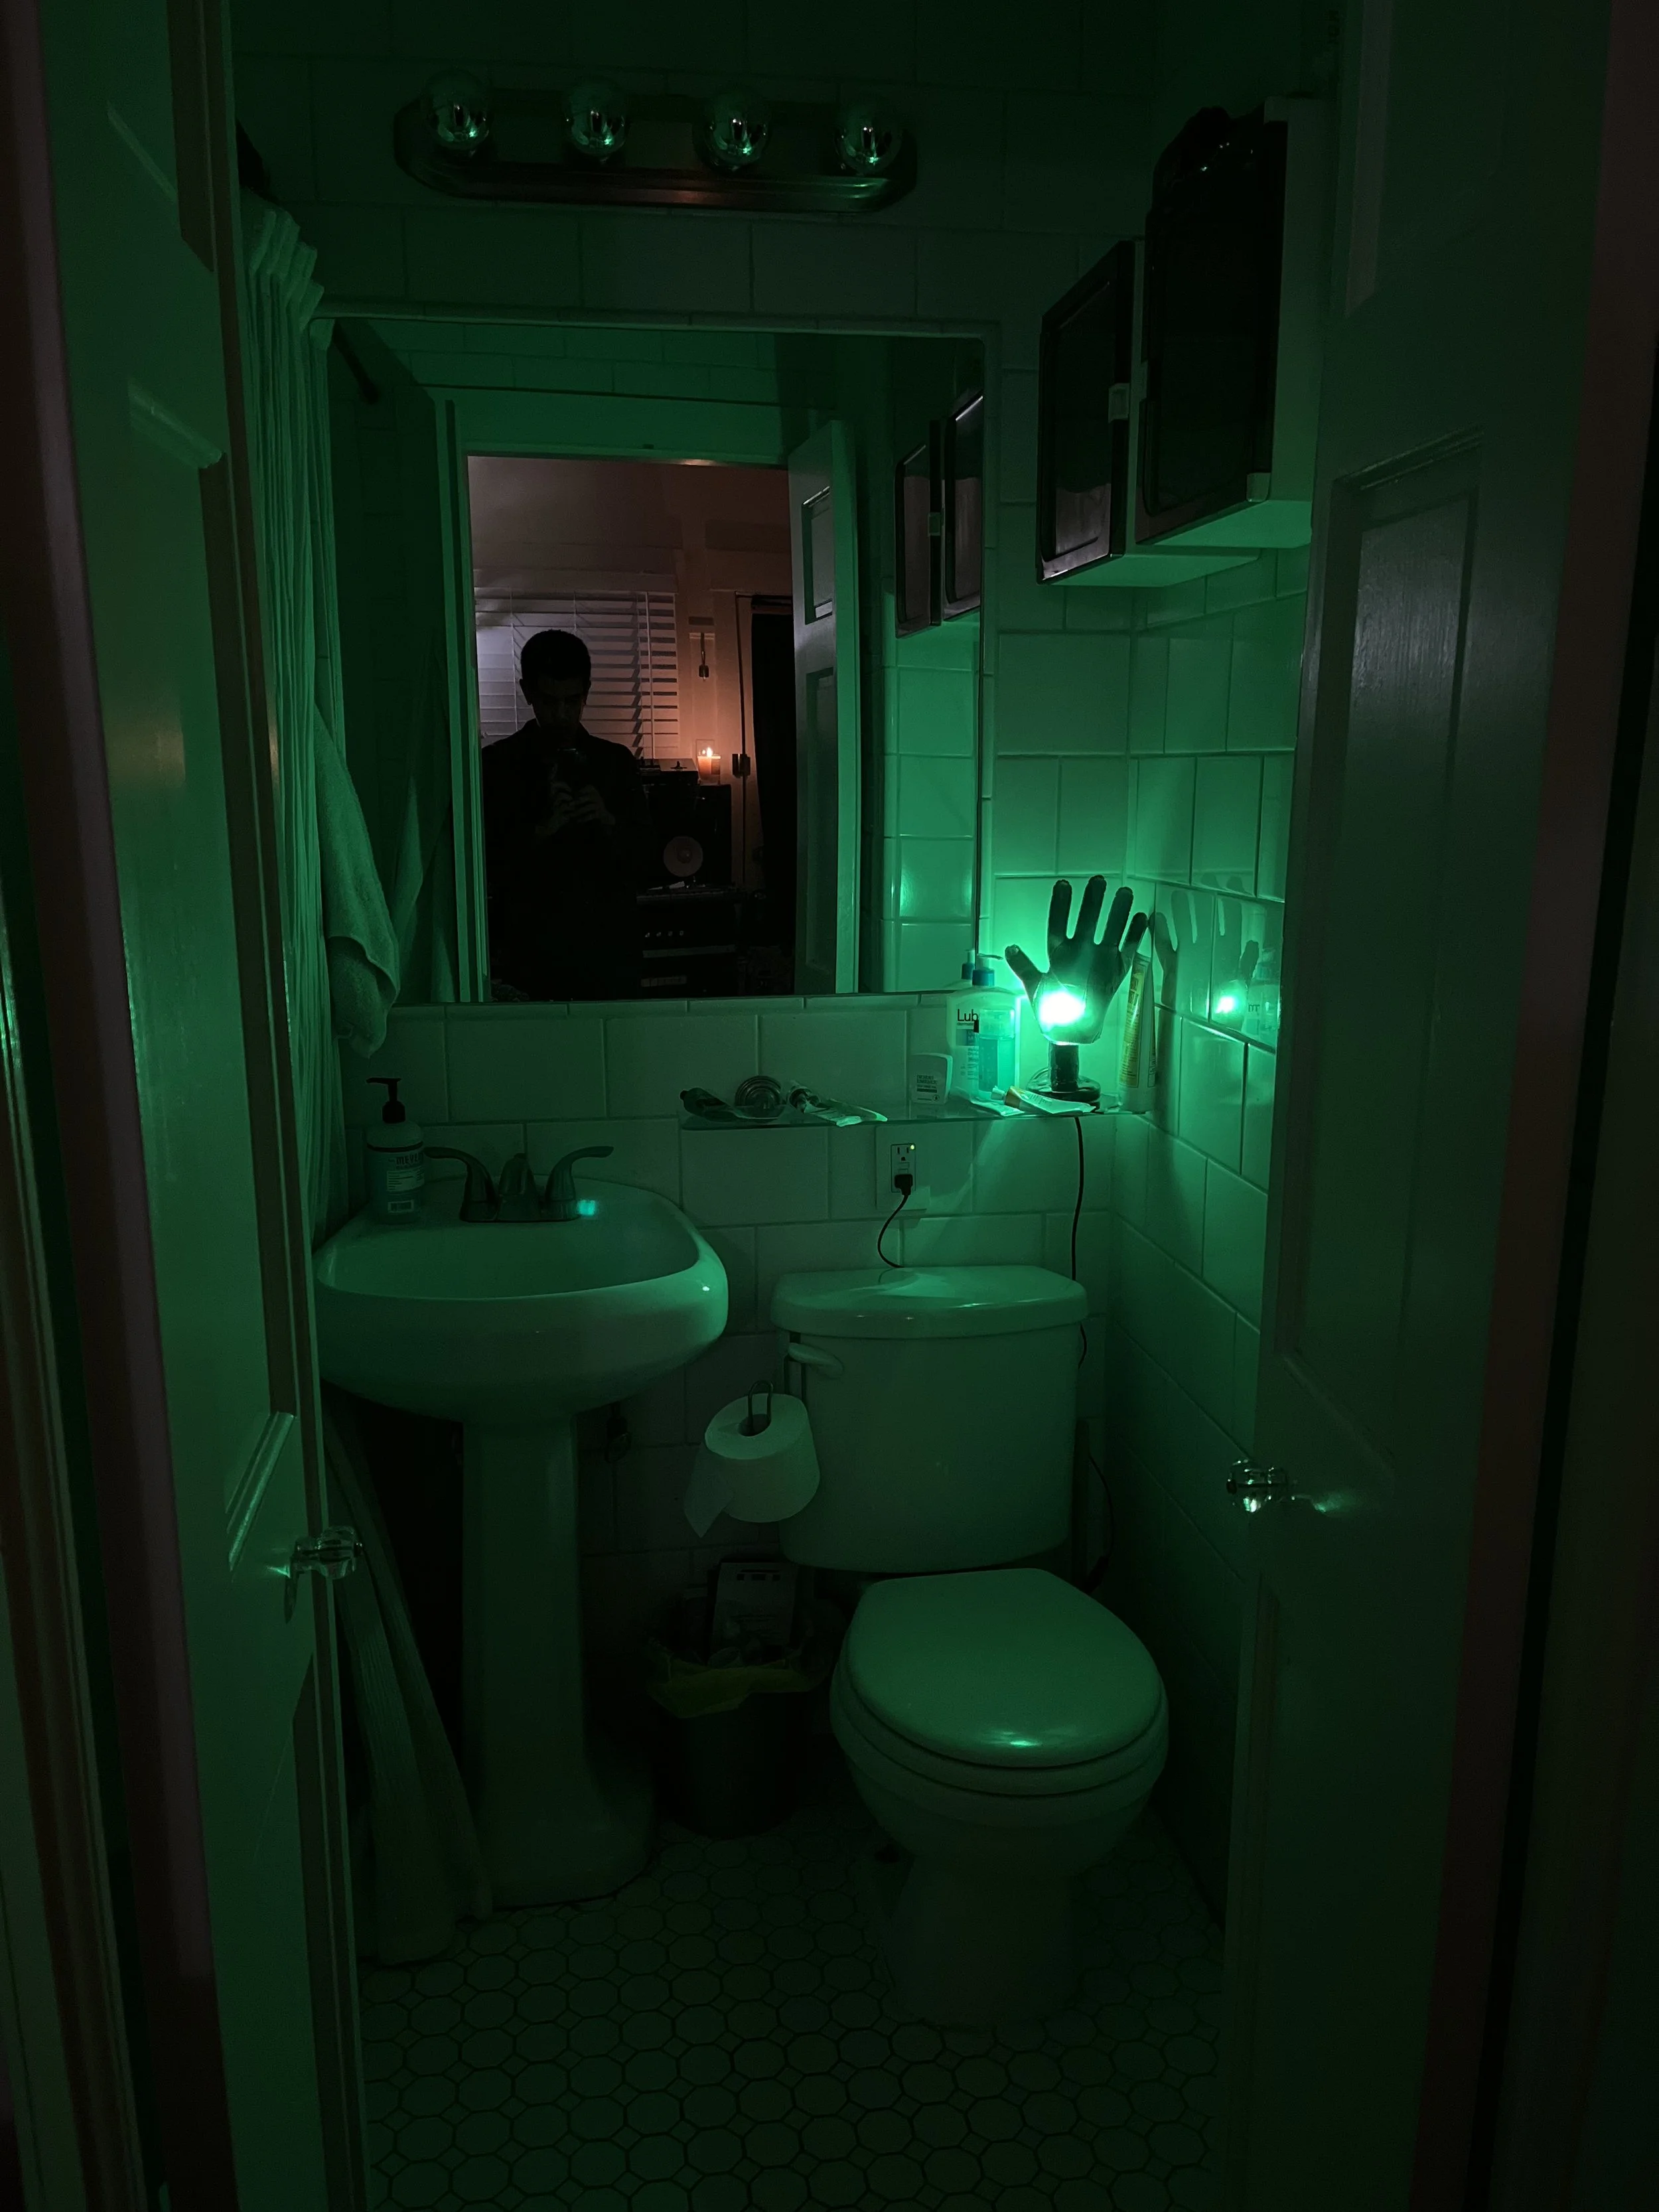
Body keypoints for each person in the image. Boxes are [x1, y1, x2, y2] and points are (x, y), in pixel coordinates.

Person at [480, 628, 650, 999]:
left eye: (572, 702)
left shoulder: (616, 763)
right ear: (528, 693)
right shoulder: (496, 766)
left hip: (608, 959)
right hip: (532, 961)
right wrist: (541, 830)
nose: (561, 714)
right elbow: (483, 871)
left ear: (586, 693)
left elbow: (646, 864)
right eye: (549, 701)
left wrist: (607, 821)